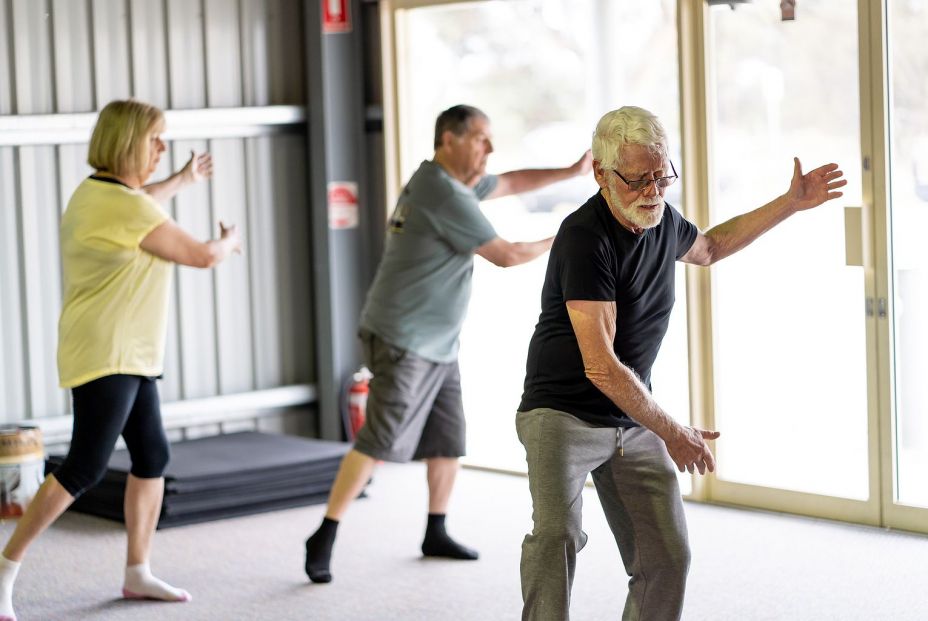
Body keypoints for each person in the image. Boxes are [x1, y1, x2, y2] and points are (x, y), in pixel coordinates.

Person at [516, 105, 846, 621]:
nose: (653, 190)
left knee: (667, 558)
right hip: (562, 413)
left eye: (661, 175)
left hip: (632, 413)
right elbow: (600, 366)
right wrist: (673, 430)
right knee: (557, 536)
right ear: (602, 174)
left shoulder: (662, 221)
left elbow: (712, 247)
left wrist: (790, 203)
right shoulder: (585, 237)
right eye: (638, 180)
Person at [304, 104, 593, 584]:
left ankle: (435, 531)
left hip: (438, 340)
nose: (490, 148)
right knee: (378, 439)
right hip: (405, 338)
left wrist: (569, 172)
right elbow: (506, 255)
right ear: (449, 140)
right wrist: (565, 235)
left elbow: (512, 182)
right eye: (481, 138)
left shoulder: (454, 182)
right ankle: (324, 534)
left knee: (446, 439)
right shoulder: (442, 193)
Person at [0, 99, 242, 621]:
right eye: (155, 139)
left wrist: (179, 180)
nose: (162, 148)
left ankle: (137, 572)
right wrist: (228, 242)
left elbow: (144, 199)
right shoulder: (125, 206)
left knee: (152, 456)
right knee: (84, 467)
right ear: (128, 142)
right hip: (108, 353)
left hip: (128, 352)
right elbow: (199, 255)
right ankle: (4, 568)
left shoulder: (101, 193)